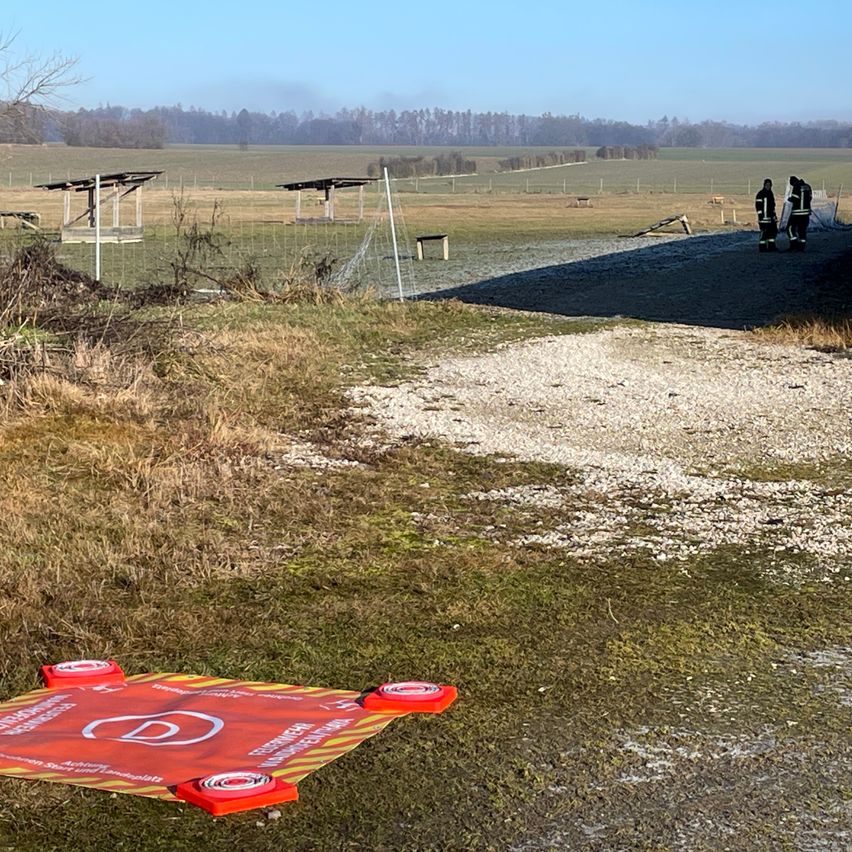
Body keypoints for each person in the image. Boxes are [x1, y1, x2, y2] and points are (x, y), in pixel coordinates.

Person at [787, 175, 813, 251]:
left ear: (792, 182)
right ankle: (802, 246)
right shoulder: (808, 186)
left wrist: (790, 199)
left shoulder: (796, 186)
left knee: (790, 228)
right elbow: (810, 198)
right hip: (806, 213)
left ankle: (793, 244)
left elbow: (795, 199)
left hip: (797, 213)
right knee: (802, 230)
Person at [754, 178, 777, 252]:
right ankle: (762, 247)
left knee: (772, 232)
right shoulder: (760, 194)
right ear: (764, 185)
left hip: (770, 218)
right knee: (764, 232)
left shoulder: (771, 194)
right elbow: (758, 205)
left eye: (769, 185)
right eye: (767, 185)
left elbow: (772, 206)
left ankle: (771, 247)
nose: (768, 186)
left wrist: (774, 215)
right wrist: (760, 216)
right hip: (763, 218)